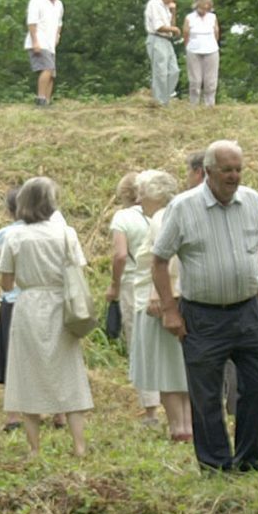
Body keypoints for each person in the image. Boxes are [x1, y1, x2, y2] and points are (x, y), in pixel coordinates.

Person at [149, 140, 258, 474]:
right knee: (206, 395)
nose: (234, 176)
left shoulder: (252, 201)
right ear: (208, 172)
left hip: (248, 310)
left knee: (257, 385)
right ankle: (216, 464)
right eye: (227, 170)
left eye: (238, 169)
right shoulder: (183, 207)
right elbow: (159, 260)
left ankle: (249, 459)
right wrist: (170, 310)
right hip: (203, 315)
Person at [0, 176, 93, 457]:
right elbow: (78, 268)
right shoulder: (66, 233)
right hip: (61, 304)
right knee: (69, 371)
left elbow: (6, 282)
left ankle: (35, 448)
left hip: (28, 304)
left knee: (26, 373)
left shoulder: (15, 236)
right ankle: (79, 445)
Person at [127, 170, 191, 441]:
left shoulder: (160, 218)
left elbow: (164, 260)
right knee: (182, 367)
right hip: (180, 296)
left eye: (141, 192)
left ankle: (179, 427)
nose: (138, 199)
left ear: (154, 194)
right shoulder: (180, 212)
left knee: (166, 368)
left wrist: (159, 296)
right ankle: (190, 425)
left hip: (160, 300)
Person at [107, 172, 160, 425]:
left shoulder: (122, 218)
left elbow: (119, 255)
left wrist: (114, 286)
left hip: (133, 283)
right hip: (161, 282)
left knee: (139, 342)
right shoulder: (159, 213)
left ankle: (150, 409)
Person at [0, 183, 22, 407]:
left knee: (12, 358)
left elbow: (0, 267)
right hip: (45, 301)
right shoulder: (53, 230)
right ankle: (57, 413)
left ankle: (13, 413)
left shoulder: (6, 234)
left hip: (12, 300)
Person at [24, 0, 65, 107]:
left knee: (51, 73)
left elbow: (59, 23)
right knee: (47, 68)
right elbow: (31, 22)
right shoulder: (37, 0)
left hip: (50, 44)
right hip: (39, 41)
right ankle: (40, 99)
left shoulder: (59, 4)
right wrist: (35, 41)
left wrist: (57, 36)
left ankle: (47, 101)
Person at [144, 0, 181, 105]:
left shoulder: (165, 6)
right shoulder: (154, 4)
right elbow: (158, 27)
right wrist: (174, 30)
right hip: (156, 39)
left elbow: (171, 25)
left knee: (174, 70)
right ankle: (159, 102)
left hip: (166, 40)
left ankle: (165, 99)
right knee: (160, 71)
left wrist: (173, 11)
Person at [184, 0, 222, 107]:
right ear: (197, 5)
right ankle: (194, 105)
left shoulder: (213, 17)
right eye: (202, 5)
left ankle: (209, 105)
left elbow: (216, 33)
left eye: (207, 5)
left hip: (211, 50)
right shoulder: (189, 17)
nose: (205, 8)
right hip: (194, 50)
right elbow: (186, 34)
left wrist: (211, 44)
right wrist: (189, 47)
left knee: (210, 80)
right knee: (195, 80)